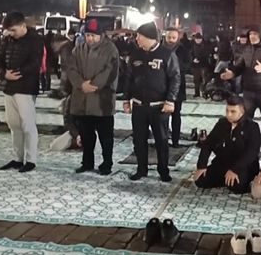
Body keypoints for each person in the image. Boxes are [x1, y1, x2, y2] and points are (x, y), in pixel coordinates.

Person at [123, 22, 180, 182]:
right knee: (138, 139)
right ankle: (142, 169)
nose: (137, 39)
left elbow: (175, 78)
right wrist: (126, 100)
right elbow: (128, 78)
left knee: (161, 140)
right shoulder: (135, 55)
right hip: (139, 106)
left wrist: (171, 100)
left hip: (159, 106)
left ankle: (163, 170)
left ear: (149, 37)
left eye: (139, 36)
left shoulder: (166, 55)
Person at [66, 18, 119, 175]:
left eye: (93, 36)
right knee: (86, 135)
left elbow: (110, 72)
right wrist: (81, 84)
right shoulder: (78, 49)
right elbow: (71, 69)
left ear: (101, 35)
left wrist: (93, 85)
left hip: (102, 101)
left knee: (105, 137)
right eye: (88, 35)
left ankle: (107, 163)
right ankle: (87, 162)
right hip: (82, 101)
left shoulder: (111, 50)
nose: (90, 39)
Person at [0, 12, 44, 173]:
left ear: (23, 26)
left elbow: (35, 64)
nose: (11, 33)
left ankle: (31, 160)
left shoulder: (35, 40)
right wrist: (4, 74)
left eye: (13, 30)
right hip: (8, 87)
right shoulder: (7, 39)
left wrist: (18, 73)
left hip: (26, 87)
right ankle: (18, 158)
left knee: (27, 124)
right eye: (8, 30)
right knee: (13, 124)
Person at [194, 96, 261, 194]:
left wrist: (234, 169)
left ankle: (229, 178)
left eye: (233, 111)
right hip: (223, 163)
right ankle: (225, 178)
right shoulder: (222, 123)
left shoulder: (252, 127)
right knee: (200, 181)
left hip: (242, 166)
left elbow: (251, 153)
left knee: (237, 187)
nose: (228, 115)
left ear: (242, 112)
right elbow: (208, 143)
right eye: (227, 110)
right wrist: (202, 165)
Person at [221, 25, 261, 134]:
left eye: (255, 34)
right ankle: (247, 143)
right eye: (250, 34)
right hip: (249, 90)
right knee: (246, 120)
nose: (252, 36)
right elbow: (240, 65)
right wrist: (232, 73)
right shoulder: (247, 48)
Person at [163, 27, 191, 147]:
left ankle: (175, 140)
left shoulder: (182, 50)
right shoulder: (159, 49)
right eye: (169, 37)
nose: (171, 40)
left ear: (177, 38)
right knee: (162, 116)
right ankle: (162, 139)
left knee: (176, 114)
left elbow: (187, 65)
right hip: (162, 86)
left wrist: (175, 69)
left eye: (173, 38)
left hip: (178, 86)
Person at [191, 33, 210, 98]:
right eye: (197, 39)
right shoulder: (192, 45)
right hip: (195, 65)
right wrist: (193, 59)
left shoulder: (205, 45)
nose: (198, 40)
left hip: (203, 64)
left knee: (204, 79)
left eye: (199, 39)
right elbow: (190, 54)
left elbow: (206, 54)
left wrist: (200, 59)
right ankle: (197, 93)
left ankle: (204, 93)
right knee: (196, 80)